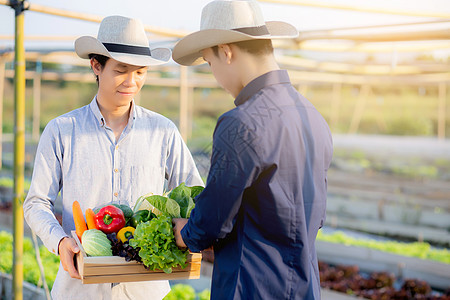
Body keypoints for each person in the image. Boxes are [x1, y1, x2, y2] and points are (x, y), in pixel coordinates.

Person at [23, 15, 203, 300]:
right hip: (79, 289)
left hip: (147, 288)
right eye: (121, 70)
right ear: (96, 65)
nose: (132, 82)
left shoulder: (162, 131)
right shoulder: (62, 131)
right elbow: (36, 203)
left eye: (140, 72)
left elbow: (195, 192)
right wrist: (59, 242)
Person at [172, 1, 333, 299]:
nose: (215, 76)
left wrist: (183, 231)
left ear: (227, 51)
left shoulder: (241, 123)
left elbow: (211, 224)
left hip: (249, 288)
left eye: (209, 63)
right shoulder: (313, 116)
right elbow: (316, 215)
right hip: (305, 287)